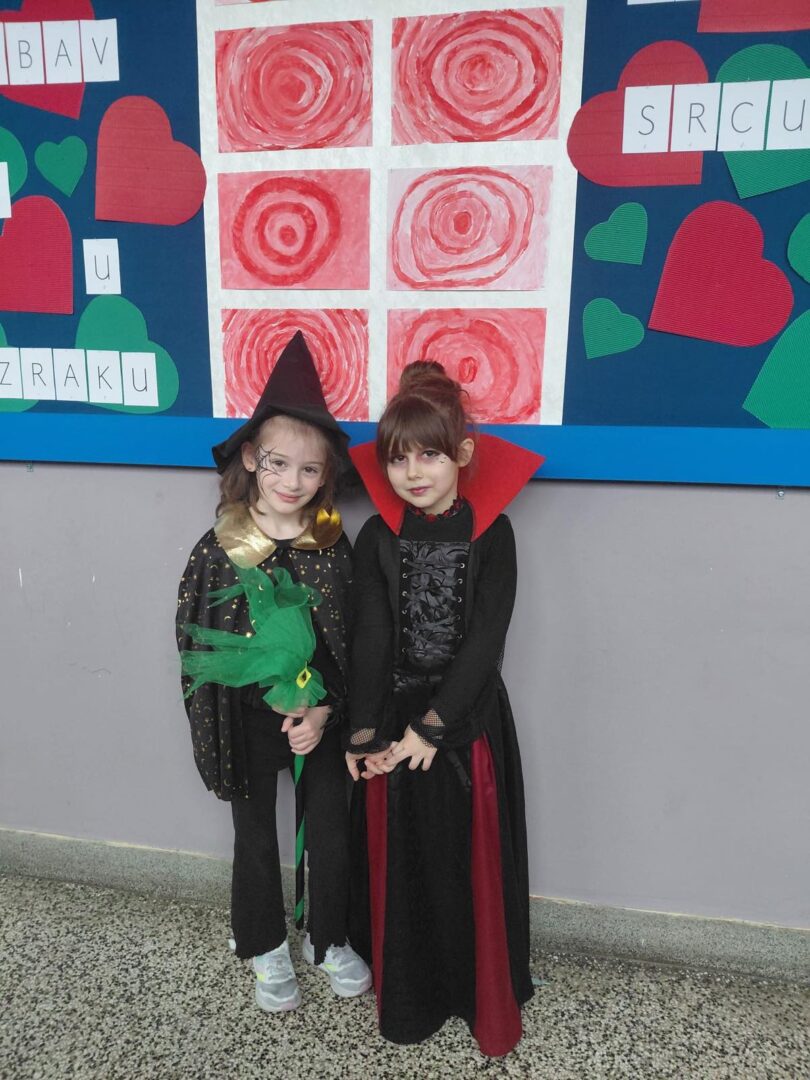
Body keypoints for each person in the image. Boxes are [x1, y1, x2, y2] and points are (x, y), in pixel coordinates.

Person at [346, 360, 542, 1057]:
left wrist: (434, 729)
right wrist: (366, 732)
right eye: (398, 458)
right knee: (407, 864)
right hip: (393, 717)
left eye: (429, 454)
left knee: (466, 865)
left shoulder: (493, 534)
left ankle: (475, 990)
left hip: (465, 723)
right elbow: (371, 638)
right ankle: (413, 994)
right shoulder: (378, 537)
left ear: (462, 453)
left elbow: (487, 640)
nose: (413, 472)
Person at [176, 331, 370, 1013]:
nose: (292, 482)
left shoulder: (333, 548)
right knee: (254, 835)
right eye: (278, 464)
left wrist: (325, 711)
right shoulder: (218, 549)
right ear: (252, 458)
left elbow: (351, 640)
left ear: (327, 476)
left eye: (309, 470)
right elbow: (199, 643)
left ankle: (329, 934)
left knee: (332, 828)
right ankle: (263, 941)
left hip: (320, 719)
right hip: (248, 720)